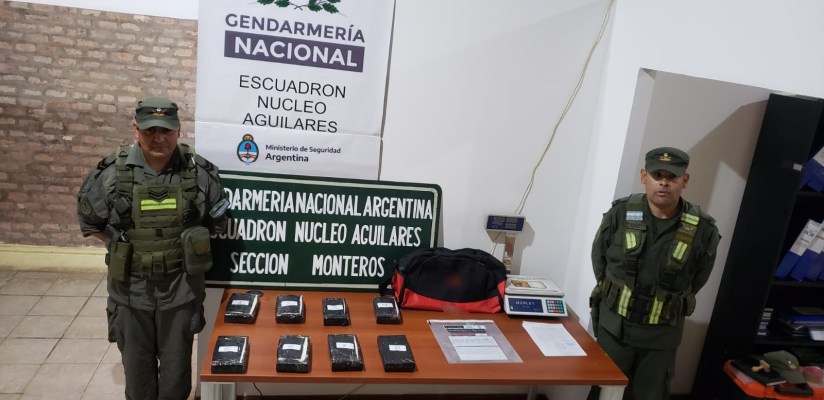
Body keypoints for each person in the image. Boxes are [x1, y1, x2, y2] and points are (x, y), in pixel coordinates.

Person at [77, 96, 228, 400]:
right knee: (138, 378)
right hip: (131, 292)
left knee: (176, 377)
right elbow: (91, 222)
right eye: (150, 130)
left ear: (178, 131)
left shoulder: (199, 173)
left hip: (180, 291)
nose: (159, 138)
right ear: (135, 129)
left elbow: (216, 222)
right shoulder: (111, 173)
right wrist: (124, 248)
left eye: (166, 130)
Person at [588, 147, 721, 400]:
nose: (664, 182)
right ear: (643, 176)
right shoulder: (620, 213)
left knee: (651, 395)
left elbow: (699, 277)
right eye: (657, 175)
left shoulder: (702, 228)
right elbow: (599, 258)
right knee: (606, 394)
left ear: (685, 180)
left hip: (661, 336)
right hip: (615, 329)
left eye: (672, 177)